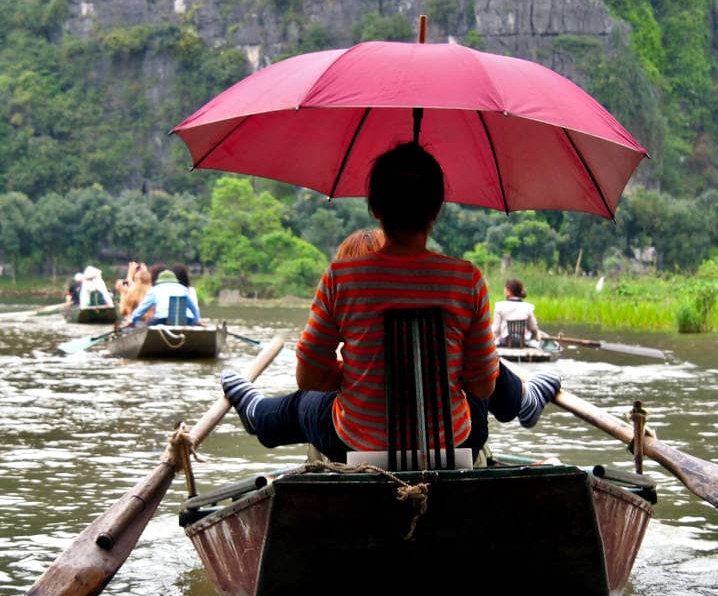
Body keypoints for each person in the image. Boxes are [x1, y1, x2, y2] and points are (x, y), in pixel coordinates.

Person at [220, 143, 562, 464]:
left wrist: (350, 376)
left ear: (374, 208)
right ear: (438, 208)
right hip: (458, 445)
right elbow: (483, 385)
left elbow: (308, 375)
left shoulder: (341, 277)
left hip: (354, 445)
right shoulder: (466, 279)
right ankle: (523, 401)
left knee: (307, 403)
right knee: (480, 367)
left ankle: (256, 413)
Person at [127, 263, 200, 326]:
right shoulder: (183, 289)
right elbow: (194, 308)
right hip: (186, 320)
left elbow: (142, 308)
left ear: (159, 280)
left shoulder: (154, 290)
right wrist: (196, 321)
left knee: (143, 325)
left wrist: (132, 320)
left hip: (163, 320)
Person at [491, 278, 540, 347]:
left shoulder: (499, 306)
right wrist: (536, 337)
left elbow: (495, 330)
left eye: (505, 289)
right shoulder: (528, 307)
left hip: (505, 343)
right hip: (523, 343)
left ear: (509, 291)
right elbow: (533, 328)